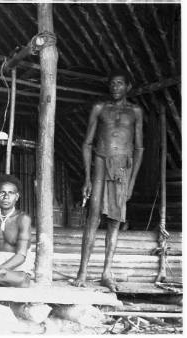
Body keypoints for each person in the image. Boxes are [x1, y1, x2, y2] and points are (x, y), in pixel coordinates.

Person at [72, 69, 144, 292]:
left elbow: (139, 148)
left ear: (128, 87)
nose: (115, 87)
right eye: (112, 83)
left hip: (122, 166)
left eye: (120, 84)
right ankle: (82, 272)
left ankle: (106, 273)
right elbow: (87, 143)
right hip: (101, 163)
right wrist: (87, 178)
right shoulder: (100, 109)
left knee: (114, 222)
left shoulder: (136, 111)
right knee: (93, 218)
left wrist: (131, 183)